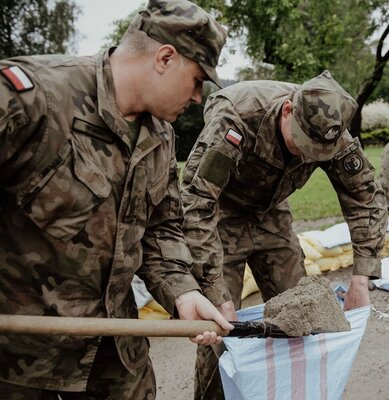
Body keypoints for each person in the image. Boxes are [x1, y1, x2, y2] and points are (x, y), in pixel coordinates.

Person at [0, 0, 233, 398]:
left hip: (114, 351)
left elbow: (161, 227)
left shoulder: (161, 135)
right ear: (165, 57)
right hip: (19, 359)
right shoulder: (33, 99)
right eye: (197, 80)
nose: (198, 97)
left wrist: (184, 292)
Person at [180, 70, 388, 399]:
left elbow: (365, 198)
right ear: (288, 111)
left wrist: (363, 277)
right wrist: (216, 290)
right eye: (303, 145)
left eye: (317, 153)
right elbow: (195, 202)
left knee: (305, 312)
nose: (306, 157)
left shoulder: (333, 133)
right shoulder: (237, 117)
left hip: (272, 216)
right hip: (220, 216)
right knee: (218, 330)